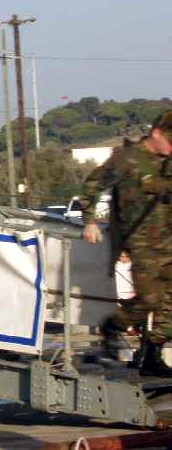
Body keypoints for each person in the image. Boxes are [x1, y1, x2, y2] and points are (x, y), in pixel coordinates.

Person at [83, 110, 172, 376]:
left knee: (169, 304)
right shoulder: (127, 159)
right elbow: (93, 184)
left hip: (168, 240)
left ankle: (151, 353)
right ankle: (113, 326)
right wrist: (90, 220)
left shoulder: (167, 161)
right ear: (156, 133)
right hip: (140, 242)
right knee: (150, 298)